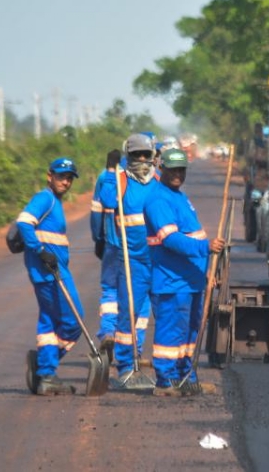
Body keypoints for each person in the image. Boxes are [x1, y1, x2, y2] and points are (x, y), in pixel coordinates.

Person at [145, 147, 225, 397]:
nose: (178, 174)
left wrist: (207, 271)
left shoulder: (179, 196)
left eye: (181, 170)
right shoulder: (159, 199)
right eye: (173, 169)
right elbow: (170, 239)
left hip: (191, 280)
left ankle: (186, 376)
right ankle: (165, 380)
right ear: (162, 169)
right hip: (172, 281)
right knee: (171, 332)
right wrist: (205, 247)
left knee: (191, 332)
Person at [98, 134, 158, 389]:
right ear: (128, 156)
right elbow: (108, 200)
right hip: (131, 258)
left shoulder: (157, 181)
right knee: (128, 312)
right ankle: (124, 368)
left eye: (145, 155)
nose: (141, 160)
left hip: (157, 258)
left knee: (148, 313)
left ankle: (140, 358)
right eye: (136, 155)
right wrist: (111, 170)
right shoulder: (120, 180)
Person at [17, 157, 81, 396]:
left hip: (49, 271)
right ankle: (45, 369)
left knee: (48, 321)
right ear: (49, 176)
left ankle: (45, 373)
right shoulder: (45, 198)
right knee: (74, 320)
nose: (65, 181)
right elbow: (24, 222)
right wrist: (40, 250)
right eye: (61, 176)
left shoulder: (54, 201)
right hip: (49, 272)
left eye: (69, 178)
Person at [90, 148, 122, 359]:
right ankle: (129, 349)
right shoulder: (148, 178)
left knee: (110, 290)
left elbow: (96, 211)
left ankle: (108, 331)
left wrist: (98, 238)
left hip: (111, 243)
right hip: (137, 248)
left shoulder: (106, 177)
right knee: (135, 295)